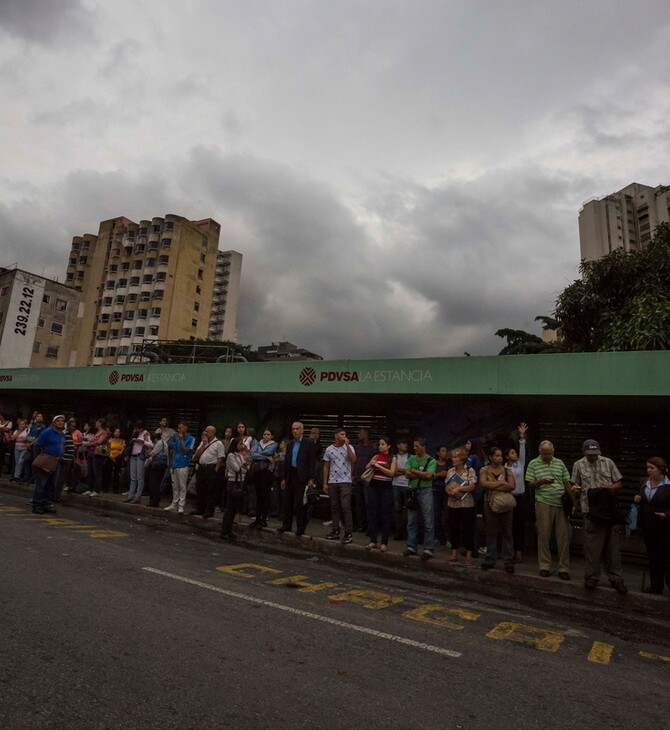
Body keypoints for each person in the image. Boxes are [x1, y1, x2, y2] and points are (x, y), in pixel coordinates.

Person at [571, 439, 627, 594]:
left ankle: (616, 578)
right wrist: (577, 492)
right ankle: (591, 577)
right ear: (584, 452)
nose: (593, 457)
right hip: (590, 510)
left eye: (595, 454)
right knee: (592, 547)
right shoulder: (578, 465)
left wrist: (609, 488)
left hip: (609, 510)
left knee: (613, 548)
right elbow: (573, 484)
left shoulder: (608, 462)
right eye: (590, 454)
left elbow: (619, 483)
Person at [526, 440, 575, 579]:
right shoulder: (533, 463)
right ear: (540, 452)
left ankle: (564, 568)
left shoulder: (559, 463)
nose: (547, 456)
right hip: (543, 501)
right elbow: (530, 484)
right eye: (545, 454)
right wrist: (541, 481)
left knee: (563, 536)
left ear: (553, 452)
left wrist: (573, 502)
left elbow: (567, 483)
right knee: (543, 534)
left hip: (560, 502)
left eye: (550, 453)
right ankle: (545, 565)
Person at [633, 457, 670, 595]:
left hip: (665, 527)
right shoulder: (644, 482)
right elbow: (642, 500)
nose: (649, 470)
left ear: (661, 469)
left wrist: (666, 515)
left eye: (652, 468)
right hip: (648, 526)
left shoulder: (668, 484)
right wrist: (637, 499)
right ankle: (656, 585)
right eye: (647, 467)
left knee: (666, 557)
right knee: (653, 557)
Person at [480, 447, 516, 573]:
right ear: (490, 457)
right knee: (491, 531)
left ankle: (508, 561)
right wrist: (501, 484)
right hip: (489, 503)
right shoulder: (485, 470)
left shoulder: (507, 471)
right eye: (496, 455)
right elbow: (484, 484)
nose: (499, 458)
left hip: (505, 503)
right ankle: (490, 559)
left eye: (500, 455)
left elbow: (512, 486)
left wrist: (493, 485)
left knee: (507, 531)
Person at [279, 421, 317, 536]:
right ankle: (287, 525)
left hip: (302, 476)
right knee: (287, 501)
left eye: (297, 429)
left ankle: (300, 527)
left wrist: (311, 478)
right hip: (291, 474)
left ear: (302, 430)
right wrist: (284, 478)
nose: (295, 431)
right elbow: (286, 462)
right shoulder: (290, 444)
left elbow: (312, 462)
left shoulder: (308, 443)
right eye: (293, 429)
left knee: (300, 503)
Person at [403, 438, 436, 560]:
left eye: (417, 446)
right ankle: (411, 546)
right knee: (411, 520)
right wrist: (420, 473)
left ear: (423, 447)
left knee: (428, 521)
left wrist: (414, 472)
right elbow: (407, 474)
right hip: (413, 491)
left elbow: (429, 476)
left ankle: (428, 549)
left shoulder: (431, 460)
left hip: (426, 491)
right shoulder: (411, 459)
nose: (414, 448)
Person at [445, 447, 477, 566]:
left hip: (466, 503)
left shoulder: (470, 471)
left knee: (468, 528)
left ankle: (469, 554)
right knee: (454, 528)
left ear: (462, 459)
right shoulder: (450, 471)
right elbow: (447, 486)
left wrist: (459, 488)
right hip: (453, 503)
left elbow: (472, 486)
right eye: (453, 457)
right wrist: (451, 492)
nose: (453, 459)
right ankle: (454, 553)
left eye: (455, 457)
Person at [323, 429, 356, 544]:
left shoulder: (349, 447)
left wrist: (347, 446)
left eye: (345, 435)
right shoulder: (329, 449)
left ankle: (348, 532)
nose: (344, 436)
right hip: (333, 481)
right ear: (336, 435)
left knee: (346, 506)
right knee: (334, 506)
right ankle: (335, 529)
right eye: (342, 434)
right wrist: (325, 482)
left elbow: (353, 460)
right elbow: (326, 466)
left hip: (345, 481)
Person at [364, 437, 397, 551]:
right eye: (379, 444)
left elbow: (391, 473)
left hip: (386, 487)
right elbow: (367, 467)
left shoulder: (392, 458)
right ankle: (373, 540)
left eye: (383, 444)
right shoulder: (376, 456)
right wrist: (372, 463)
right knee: (373, 513)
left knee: (385, 515)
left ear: (388, 446)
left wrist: (379, 466)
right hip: (374, 486)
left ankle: (384, 542)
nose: (380, 446)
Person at [31, 415, 66, 515]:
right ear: (53, 422)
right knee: (41, 484)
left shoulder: (62, 435)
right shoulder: (47, 432)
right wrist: (40, 458)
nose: (60, 423)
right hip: (46, 460)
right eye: (58, 421)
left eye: (62, 421)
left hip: (57, 461)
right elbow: (37, 446)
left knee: (51, 485)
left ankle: (46, 504)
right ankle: (37, 505)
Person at [220, 438, 252, 541]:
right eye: (239, 444)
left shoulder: (239, 455)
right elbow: (237, 468)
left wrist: (244, 465)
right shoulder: (231, 455)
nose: (241, 445)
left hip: (240, 482)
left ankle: (229, 530)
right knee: (229, 508)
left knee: (234, 508)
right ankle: (224, 531)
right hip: (233, 482)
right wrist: (243, 466)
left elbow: (246, 468)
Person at [505, 422, 528, 563]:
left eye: (515, 452)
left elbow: (522, 448)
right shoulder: (504, 468)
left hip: (521, 498)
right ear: (507, 456)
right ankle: (509, 551)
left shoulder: (520, 464)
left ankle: (519, 551)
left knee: (520, 526)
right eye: (512, 453)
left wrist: (521, 435)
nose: (516, 454)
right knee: (509, 526)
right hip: (509, 498)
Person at [191, 425, 225, 517]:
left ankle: (209, 511)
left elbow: (220, 457)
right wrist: (203, 444)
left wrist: (216, 470)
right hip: (202, 467)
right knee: (200, 488)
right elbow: (197, 455)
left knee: (210, 490)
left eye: (207, 431)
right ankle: (200, 509)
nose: (205, 433)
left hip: (211, 468)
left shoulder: (218, 443)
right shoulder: (203, 442)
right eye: (205, 431)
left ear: (213, 433)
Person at [164, 423, 198, 514]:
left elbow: (186, 451)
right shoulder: (177, 438)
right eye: (178, 428)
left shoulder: (191, 439)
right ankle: (174, 504)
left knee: (182, 486)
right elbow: (175, 450)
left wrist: (182, 439)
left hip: (183, 464)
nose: (179, 429)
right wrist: (171, 463)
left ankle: (181, 505)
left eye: (181, 428)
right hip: (175, 464)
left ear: (186, 428)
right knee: (175, 486)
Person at [250, 429, 278, 528]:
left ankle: (263, 519)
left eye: (268, 434)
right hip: (258, 471)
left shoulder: (273, 444)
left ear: (272, 436)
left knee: (265, 496)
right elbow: (253, 454)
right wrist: (266, 457)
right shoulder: (258, 443)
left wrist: (260, 454)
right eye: (264, 434)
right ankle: (257, 519)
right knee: (258, 495)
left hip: (267, 472)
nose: (266, 436)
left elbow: (269, 452)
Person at [353, 428, 376, 532]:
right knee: (359, 502)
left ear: (366, 434)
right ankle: (361, 524)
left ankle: (370, 525)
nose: (359, 435)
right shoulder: (356, 447)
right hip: (358, 477)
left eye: (360, 433)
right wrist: (352, 475)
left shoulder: (373, 448)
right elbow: (353, 461)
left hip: (368, 478)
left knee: (369, 502)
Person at [124, 421, 152, 503]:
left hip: (140, 456)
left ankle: (138, 496)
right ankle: (131, 495)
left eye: (139, 428)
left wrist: (142, 441)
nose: (137, 430)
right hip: (133, 455)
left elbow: (151, 444)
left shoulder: (145, 433)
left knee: (140, 477)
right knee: (133, 477)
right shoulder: (135, 433)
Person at [57, 417, 82, 498]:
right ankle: (56, 495)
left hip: (68, 457)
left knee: (63, 475)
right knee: (61, 476)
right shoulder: (65, 433)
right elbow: (67, 446)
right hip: (65, 457)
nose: (73, 426)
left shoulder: (71, 433)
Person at [391, 439, 410, 541]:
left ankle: (407, 530)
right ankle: (398, 530)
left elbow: (410, 471)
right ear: (398, 445)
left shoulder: (410, 457)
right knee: (397, 508)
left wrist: (400, 471)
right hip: (396, 485)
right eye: (403, 443)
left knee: (408, 508)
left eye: (406, 443)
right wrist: (404, 471)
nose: (406, 445)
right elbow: (392, 472)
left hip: (407, 485)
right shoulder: (394, 457)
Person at [85, 419, 110, 496]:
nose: (95, 423)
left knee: (97, 472)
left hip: (97, 454)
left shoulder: (104, 432)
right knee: (90, 472)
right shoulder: (97, 432)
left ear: (100, 423)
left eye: (97, 422)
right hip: (91, 453)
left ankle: (97, 490)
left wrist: (89, 444)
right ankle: (90, 488)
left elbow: (99, 442)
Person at [147, 432, 170, 508]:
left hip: (156, 466)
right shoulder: (165, 443)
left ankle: (153, 501)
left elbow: (153, 453)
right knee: (158, 483)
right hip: (162, 465)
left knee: (154, 483)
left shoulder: (159, 443)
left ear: (155, 439)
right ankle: (155, 501)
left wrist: (148, 452)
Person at [432, 445, 450, 546]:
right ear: (438, 453)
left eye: (446, 451)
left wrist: (447, 474)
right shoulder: (433, 463)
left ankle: (448, 537)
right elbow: (430, 476)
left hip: (446, 490)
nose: (445, 453)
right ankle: (436, 536)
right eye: (443, 451)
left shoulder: (449, 463)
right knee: (436, 514)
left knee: (448, 514)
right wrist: (438, 475)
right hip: (436, 490)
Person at [106, 427, 126, 493]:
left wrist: (115, 457)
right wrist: (111, 457)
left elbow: (122, 450)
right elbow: (108, 449)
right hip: (110, 457)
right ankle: (106, 487)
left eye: (118, 432)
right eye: (116, 432)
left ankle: (115, 488)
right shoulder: (110, 440)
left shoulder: (122, 441)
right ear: (113, 433)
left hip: (118, 458)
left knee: (117, 473)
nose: (117, 433)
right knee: (108, 472)